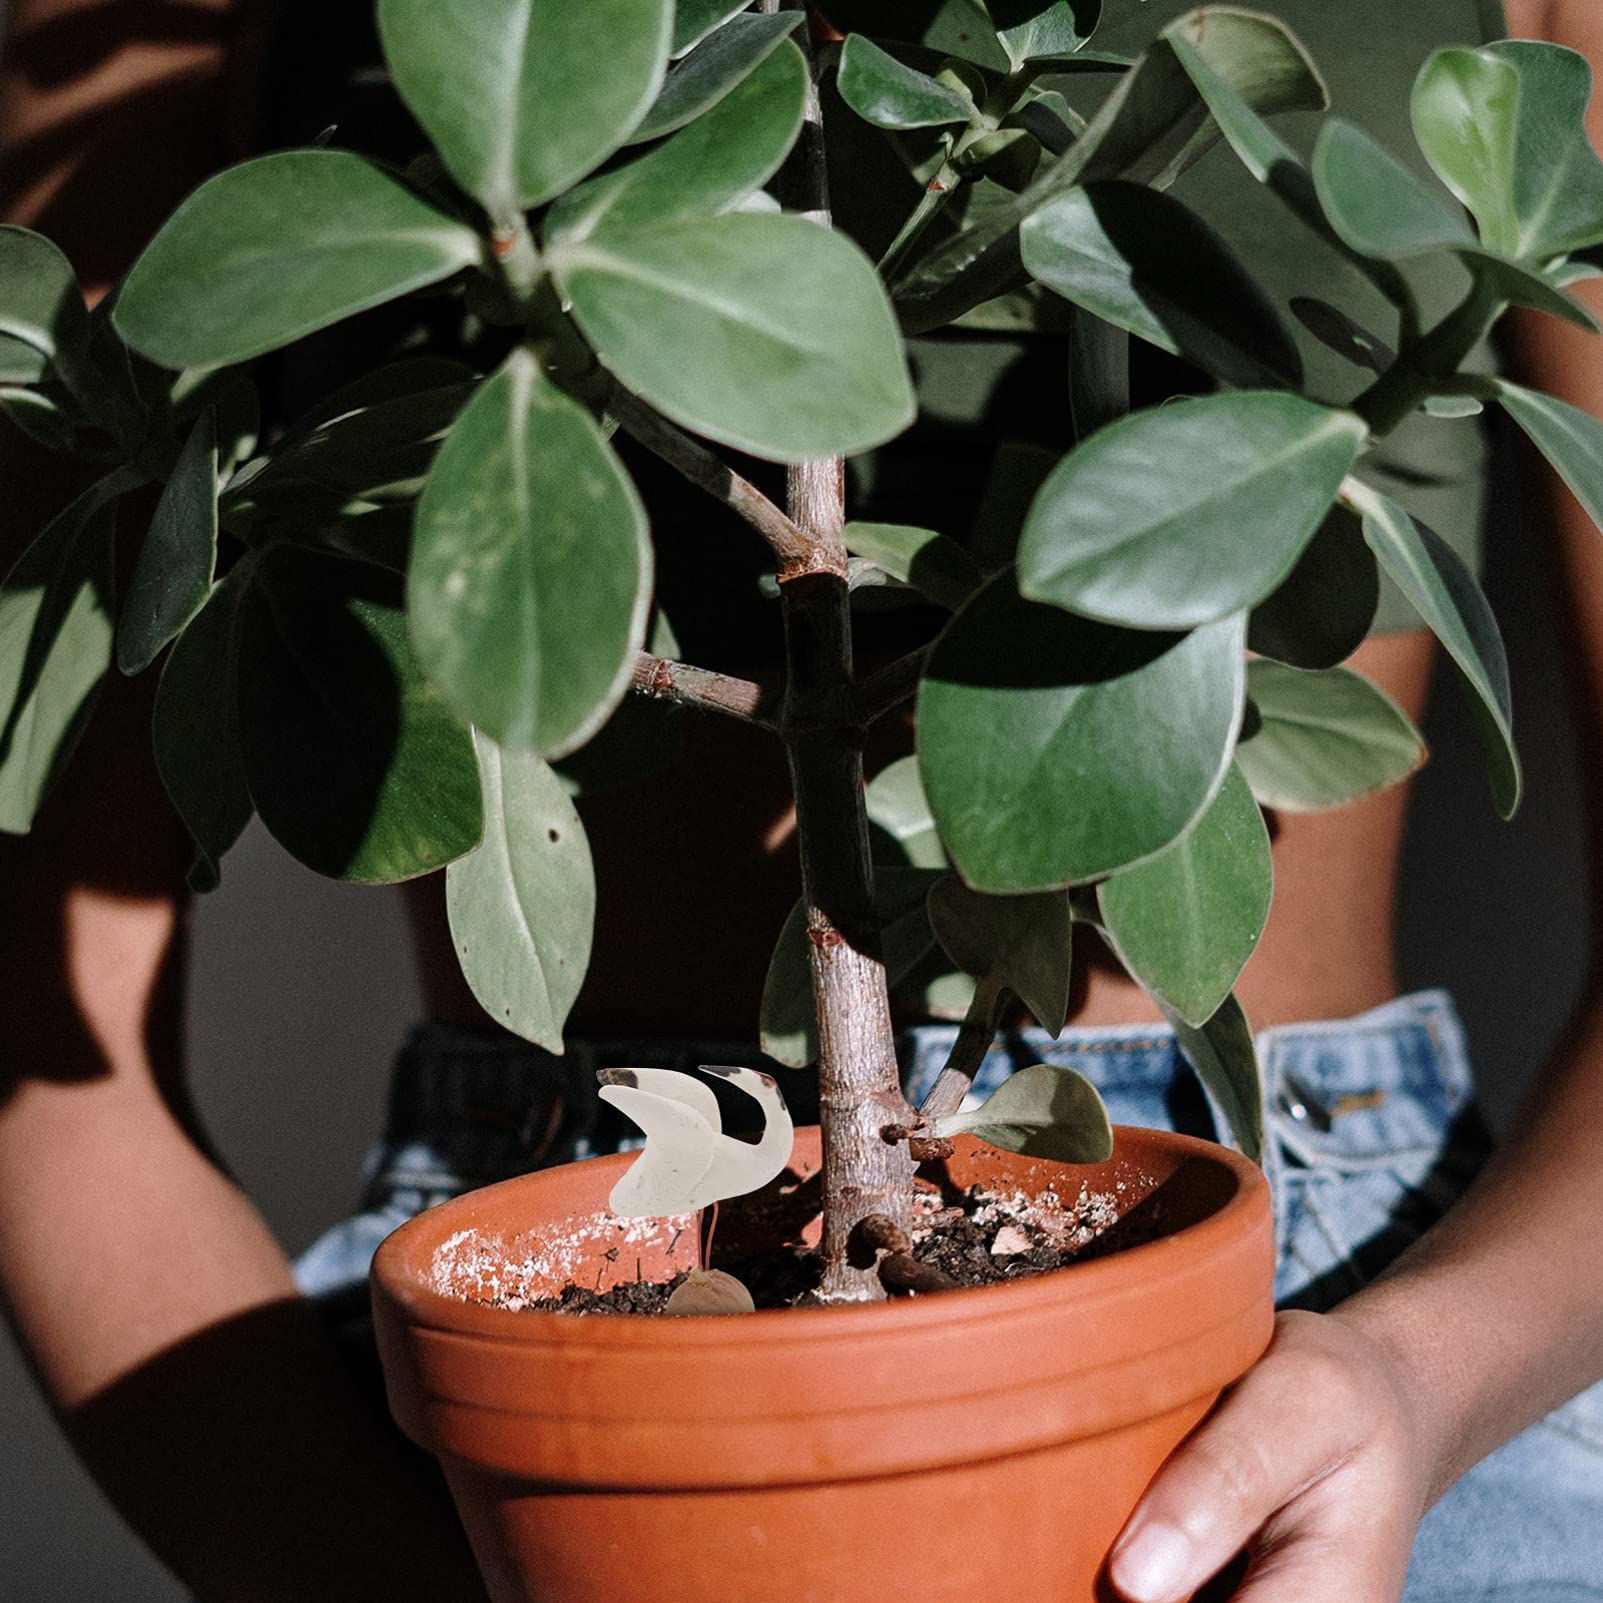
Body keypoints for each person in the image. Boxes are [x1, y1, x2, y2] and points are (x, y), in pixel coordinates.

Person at [1, 5, 1600, 1603]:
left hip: (1336, 1347)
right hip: (580, 1308)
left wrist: (1416, 1385)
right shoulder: (134, 35)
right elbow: (38, 1034)